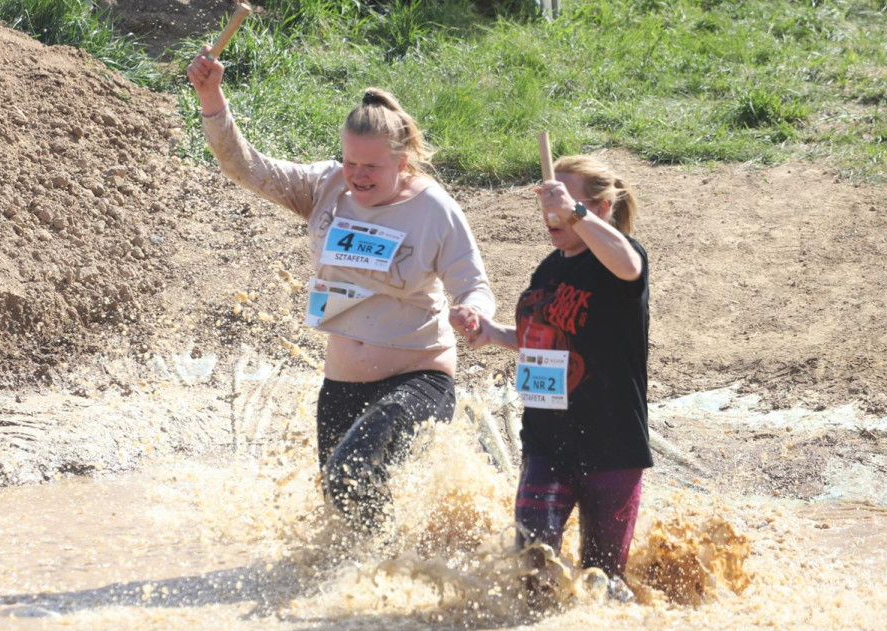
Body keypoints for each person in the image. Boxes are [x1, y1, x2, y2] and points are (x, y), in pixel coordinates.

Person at [186, 47, 495, 544]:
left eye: (371, 166)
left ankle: (389, 571)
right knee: (342, 502)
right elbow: (245, 167)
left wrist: (473, 312)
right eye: (351, 162)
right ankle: (377, 587)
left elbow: (472, 280)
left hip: (418, 379)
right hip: (343, 383)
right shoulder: (325, 186)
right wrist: (211, 97)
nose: (358, 176)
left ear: (404, 161)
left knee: (352, 468)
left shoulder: (434, 208)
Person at [458, 155, 650, 599]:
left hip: (613, 445)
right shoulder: (548, 268)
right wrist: (491, 333)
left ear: (600, 208)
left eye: (561, 202)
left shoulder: (620, 259)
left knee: (604, 584)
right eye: (547, 201)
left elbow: (627, 265)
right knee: (532, 569)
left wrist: (576, 213)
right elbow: (545, 342)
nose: (551, 214)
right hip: (549, 442)